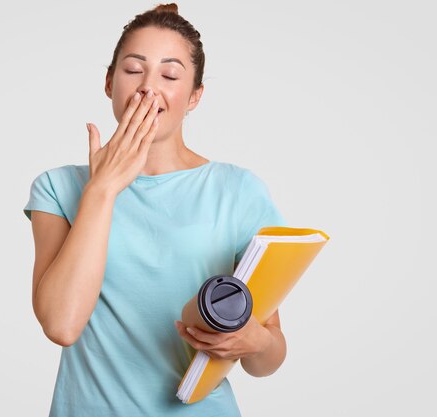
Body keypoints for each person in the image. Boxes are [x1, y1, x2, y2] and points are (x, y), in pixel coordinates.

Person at [23, 4, 288, 416]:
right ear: (109, 82)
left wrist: (254, 342)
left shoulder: (238, 191)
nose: (149, 88)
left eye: (169, 75)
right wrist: (103, 189)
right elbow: (62, 324)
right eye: (133, 70)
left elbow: (268, 359)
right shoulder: (58, 188)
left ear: (195, 95)